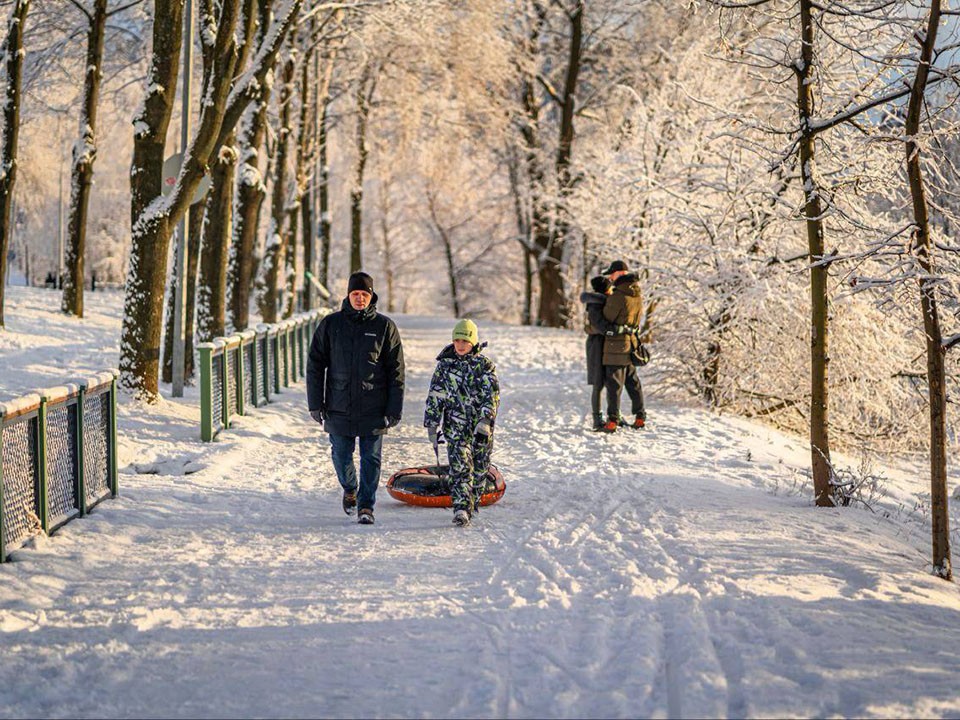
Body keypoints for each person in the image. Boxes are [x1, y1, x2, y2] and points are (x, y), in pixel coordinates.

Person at [306, 271, 405, 525]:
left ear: (371, 297)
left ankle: (366, 506)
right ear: (348, 295)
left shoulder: (384, 327)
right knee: (341, 454)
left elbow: (396, 371)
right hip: (338, 405)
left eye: (364, 294)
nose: (360, 298)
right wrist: (315, 404)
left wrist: (394, 408)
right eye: (355, 294)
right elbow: (315, 365)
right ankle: (350, 488)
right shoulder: (331, 325)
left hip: (375, 406)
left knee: (371, 458)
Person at [423, 319, 500, 527]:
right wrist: (432, 422)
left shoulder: (484, 366)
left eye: (465, 340)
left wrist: (485, 421)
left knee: (479, 468)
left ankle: (472, 501)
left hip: (480, 429)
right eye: (457, 340)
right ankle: (461, 508)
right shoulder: (445, 366)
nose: (460, 344)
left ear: (473, 342)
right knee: (460, 468)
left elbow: (491, 396)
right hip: (455, 428)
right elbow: (435, 396)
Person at [579, 275, 633, 431]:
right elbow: (599, 326)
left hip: (606, 346)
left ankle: (615, 414)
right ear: (605, 288)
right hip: (597, 347)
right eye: (610, 286)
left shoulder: (605, 302)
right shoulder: (595, 304)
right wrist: (616, 330)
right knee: (598, 383)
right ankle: (597, 419)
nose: (612, 289)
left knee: (612, 383)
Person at [600, 259, 646, 433]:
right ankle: (640, 417)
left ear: (619, 273)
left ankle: (612, 421)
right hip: (632, 343)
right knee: (633, 383)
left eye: (612, 274)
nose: (610, 278)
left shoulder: (618, 296)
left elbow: (606, 318)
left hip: (616, 346)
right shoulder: (637, 294)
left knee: (614, 385)